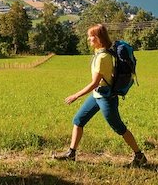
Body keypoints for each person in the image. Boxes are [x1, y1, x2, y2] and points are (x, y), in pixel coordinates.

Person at [54, 24, 147, 166]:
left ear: (98, 38)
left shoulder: (103, 57)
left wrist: (75, 96)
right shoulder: (100, 53)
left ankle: (139, 156)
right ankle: (71, 153)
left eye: (91, 36)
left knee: (119, 127)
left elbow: (94, 83)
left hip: (106, 98)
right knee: (78, 121)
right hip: (97, 95)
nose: (88, 39)